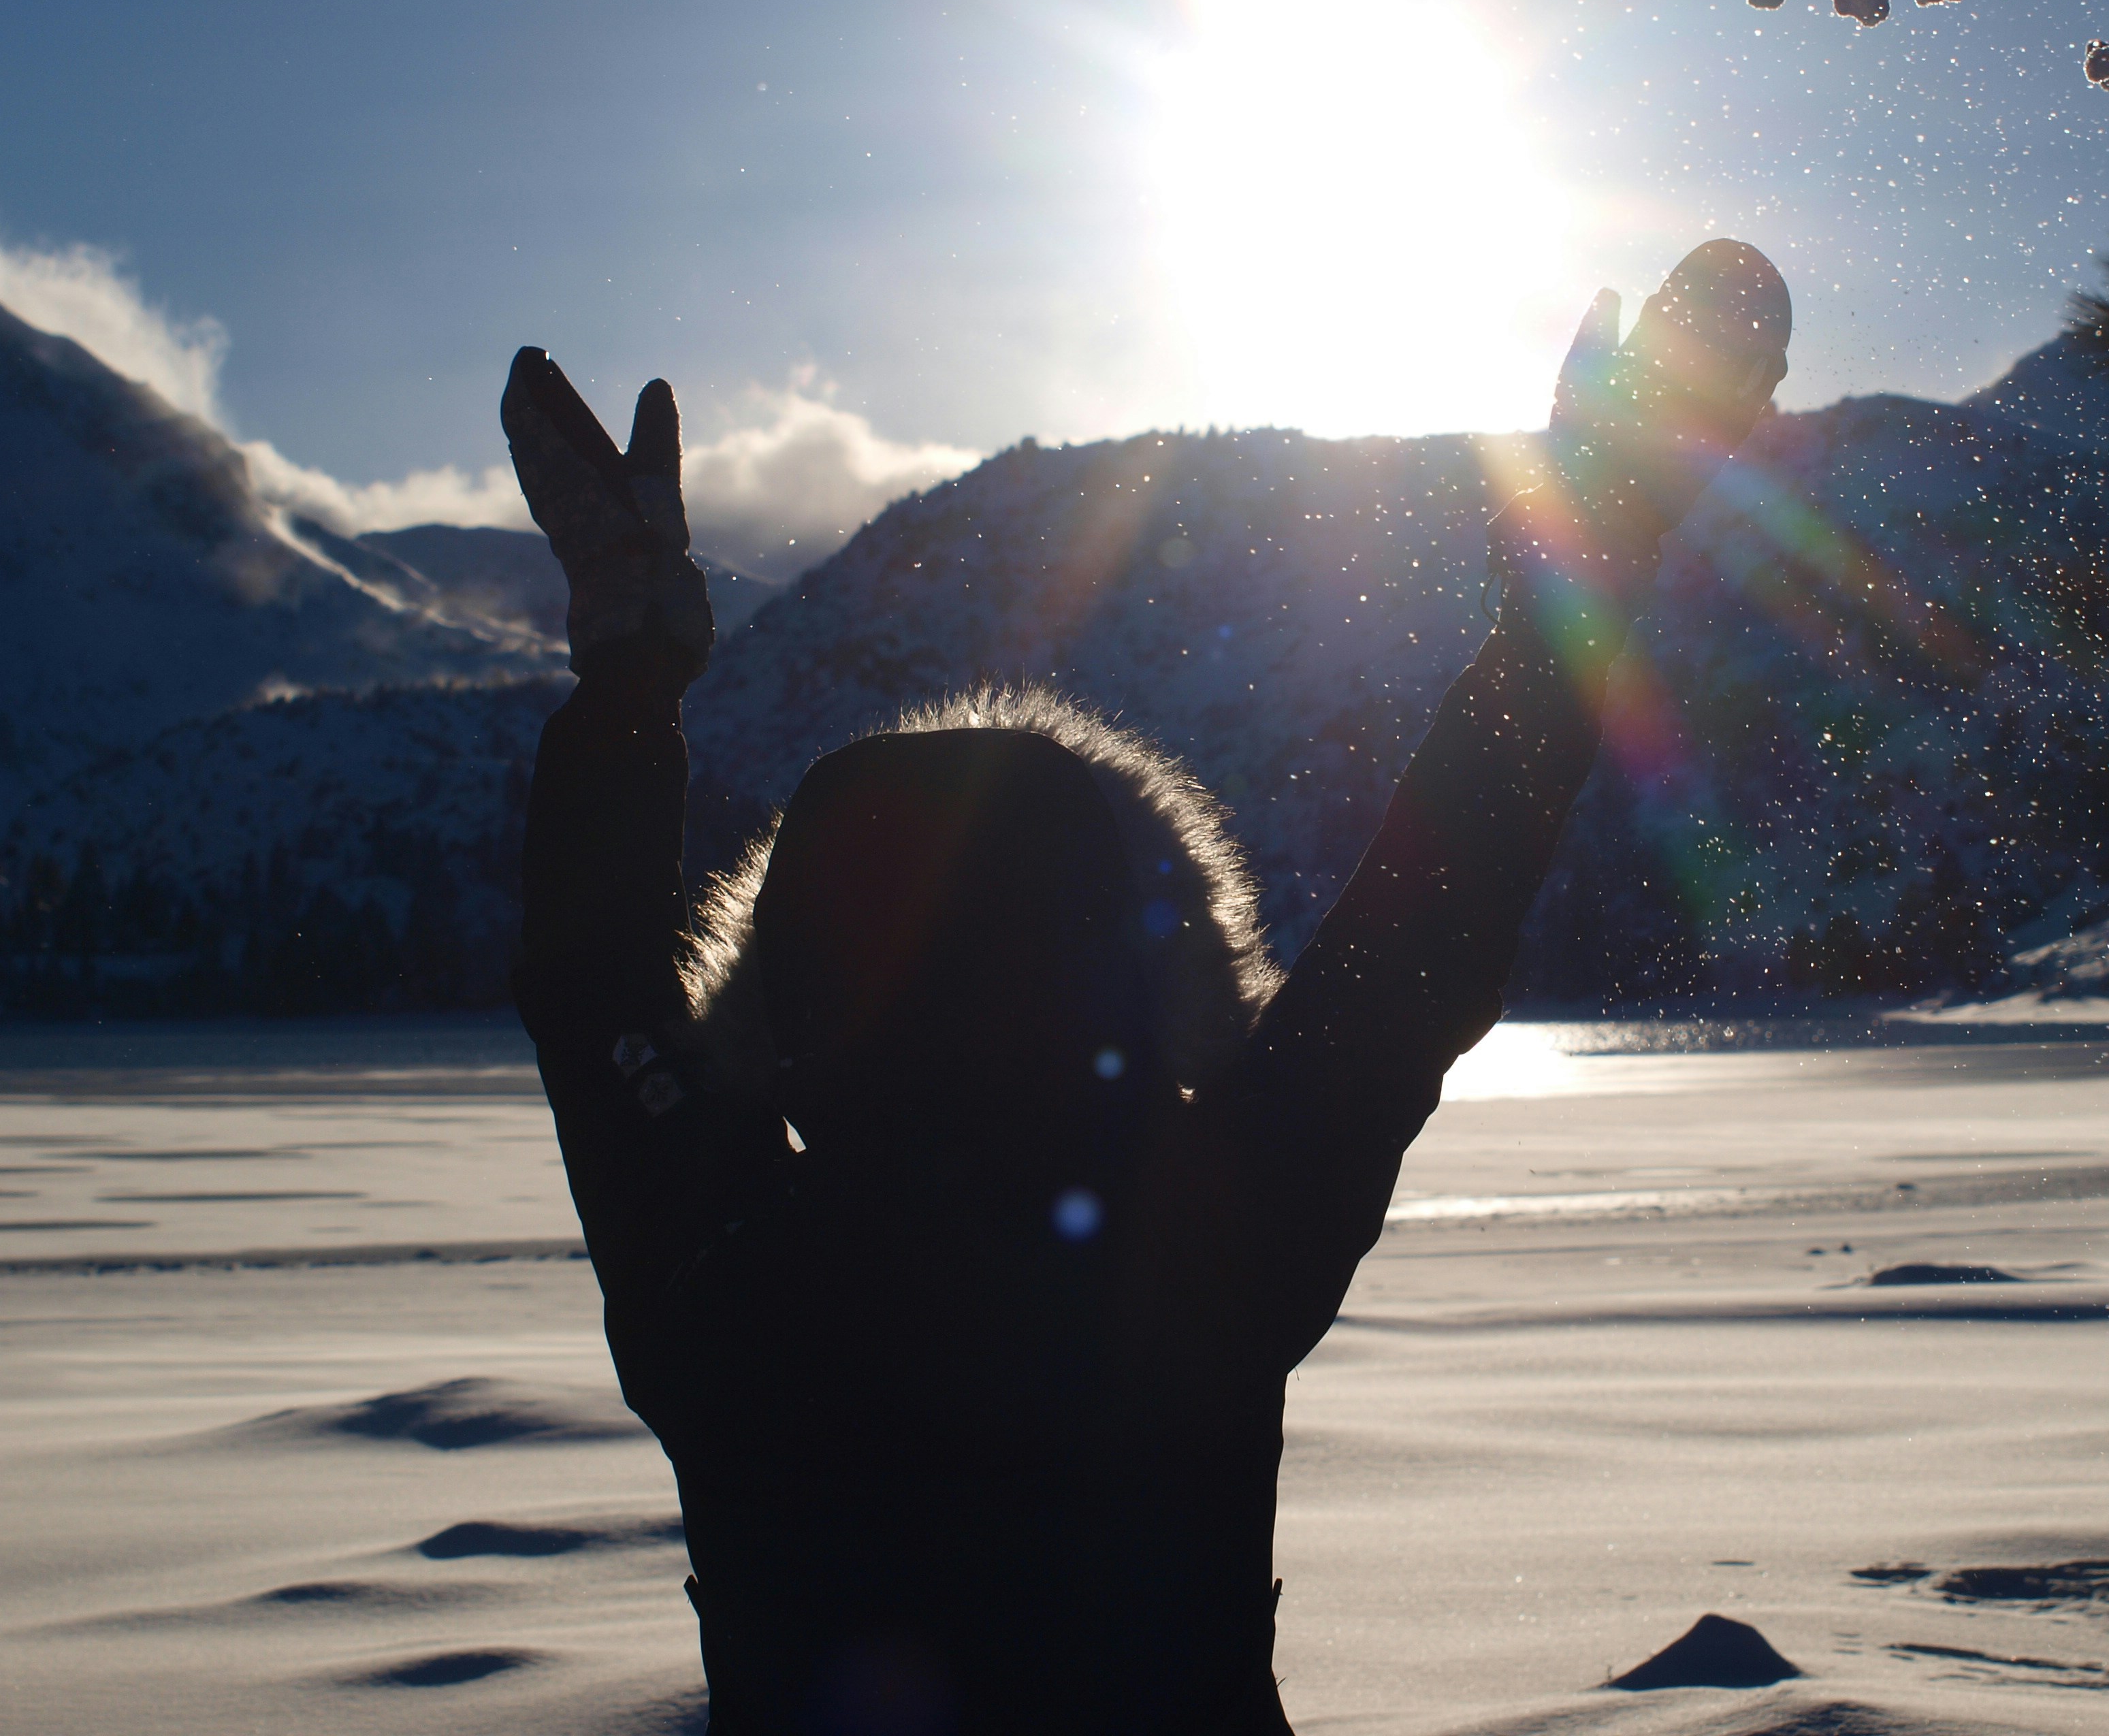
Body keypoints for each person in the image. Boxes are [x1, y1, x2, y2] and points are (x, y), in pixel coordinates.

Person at [507, 241, 1790, 1735]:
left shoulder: (725, 1263)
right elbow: (1433, 912)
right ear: (1138, 955)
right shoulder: (1212, 1231)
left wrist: (625, 688)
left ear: (780, 990)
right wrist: (1590, 568)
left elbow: (592, 983)